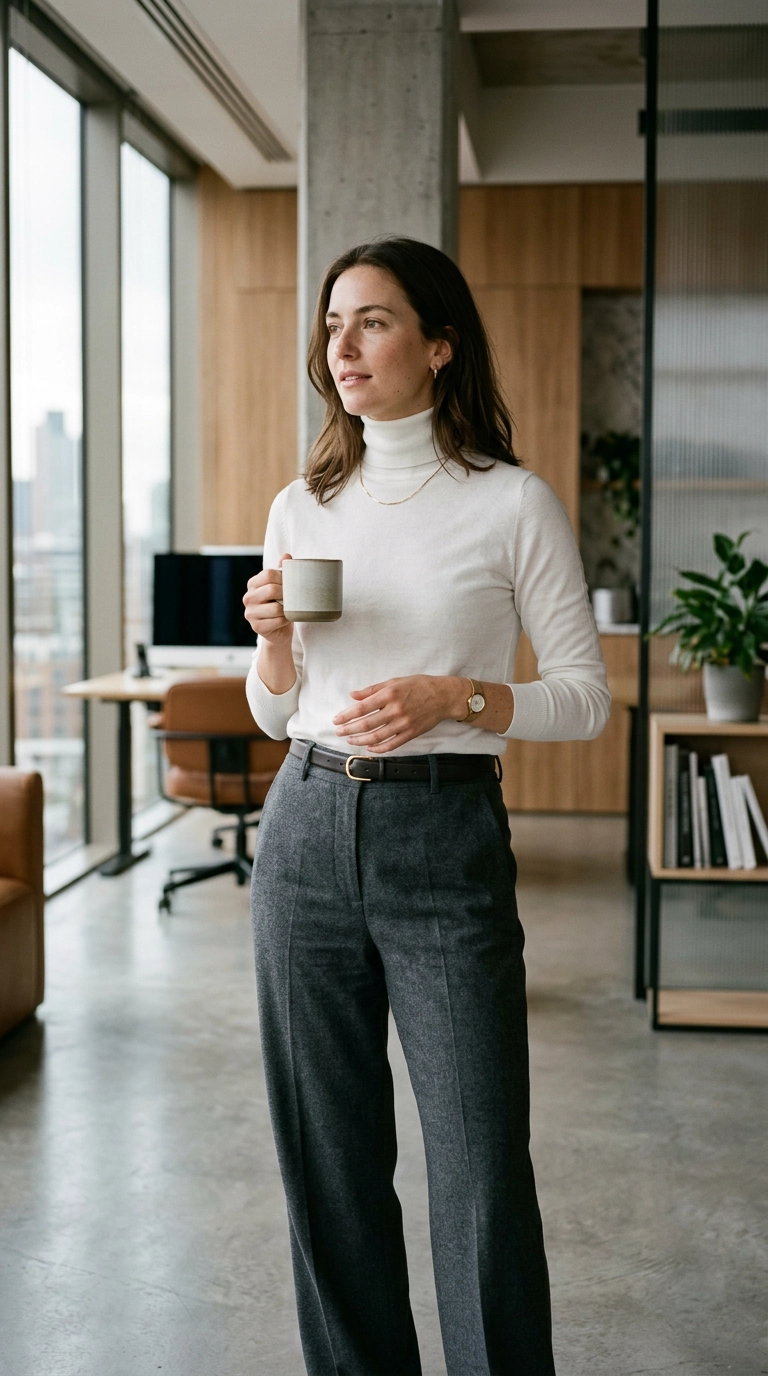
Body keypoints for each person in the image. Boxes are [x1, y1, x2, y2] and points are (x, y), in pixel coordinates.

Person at [243, 236, 610, 1376]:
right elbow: (275, 712)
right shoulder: (302, 502)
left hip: (443, 836)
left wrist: (463, 693)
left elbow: (586, 698)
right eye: (333, 324)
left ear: (440, 346)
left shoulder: (512, 503)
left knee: (479, 1160)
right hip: (303, 828)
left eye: (374, 321)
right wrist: (271, 644)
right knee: (327, 1156)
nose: (342, 346)